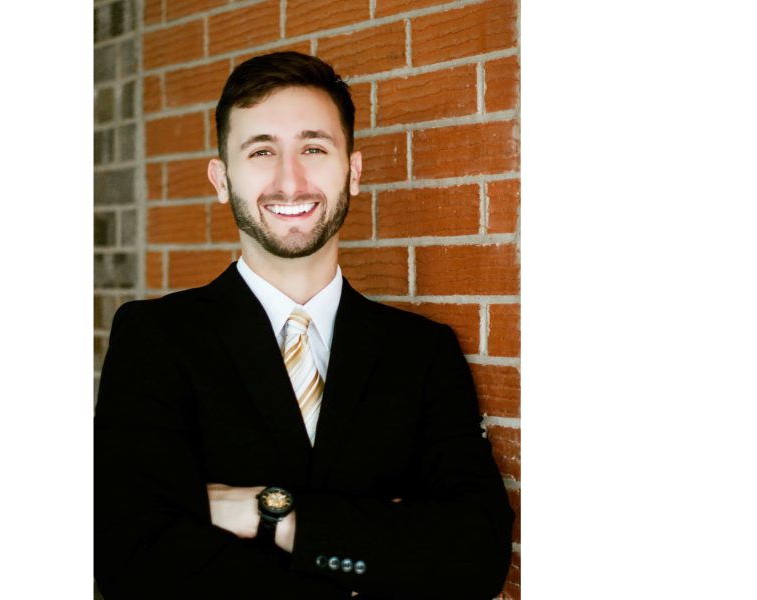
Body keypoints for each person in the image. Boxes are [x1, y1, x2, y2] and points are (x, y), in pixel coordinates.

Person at [94, 52, 514, 599]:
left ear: (352, 171)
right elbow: (130, 558)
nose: (289, 182)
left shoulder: (420, 352)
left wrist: (269, 513)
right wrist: (380, 545)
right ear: (221, 179)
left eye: (313, 148)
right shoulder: (156, 338)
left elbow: (474, 555)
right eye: (262, 151)